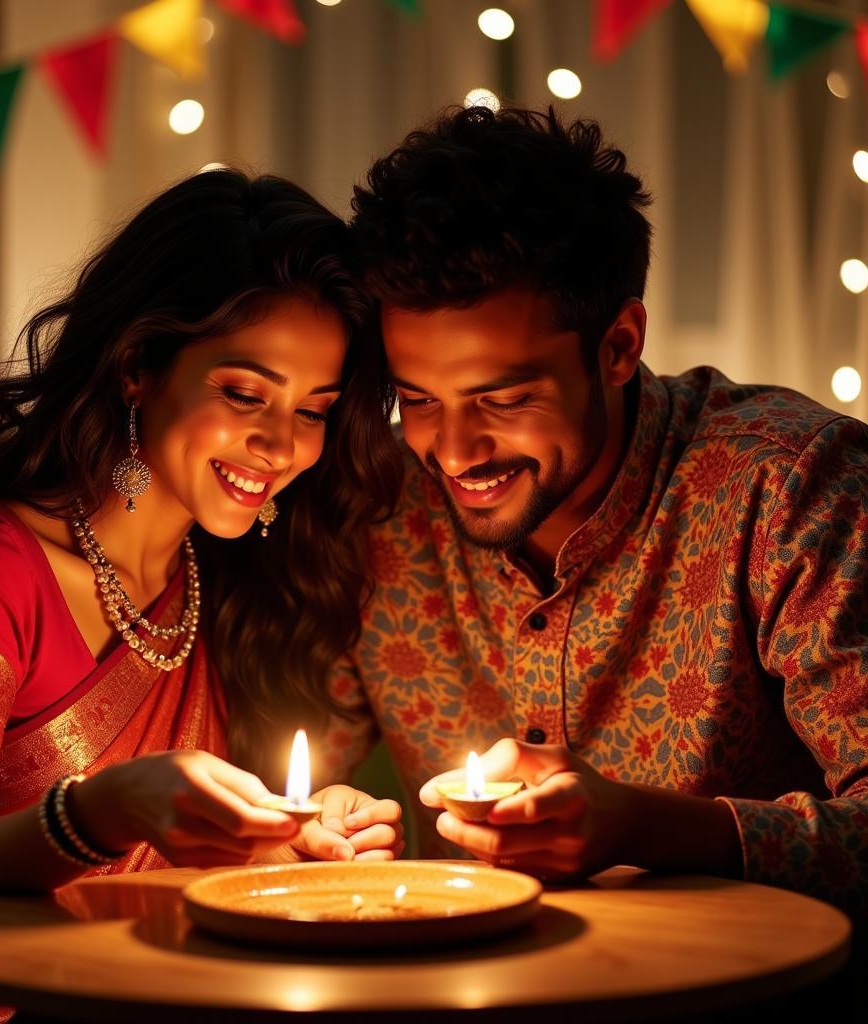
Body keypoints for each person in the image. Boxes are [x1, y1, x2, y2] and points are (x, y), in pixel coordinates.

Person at [0, 169, 405, 1022]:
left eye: (314, 409)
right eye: (244, 394)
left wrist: (290, 839)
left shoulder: (221, 582)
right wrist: (99, 814)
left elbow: (153, 885)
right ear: (139, 366)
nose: (280, 444)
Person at [329, 104, 868, 918]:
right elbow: (298, 767)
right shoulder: (378, 512)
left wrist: (650, 830)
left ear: (618, 346)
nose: (454, 450)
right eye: (418, 400)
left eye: (503, 398)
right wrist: (321, 823)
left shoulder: (789, 485)